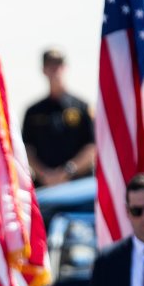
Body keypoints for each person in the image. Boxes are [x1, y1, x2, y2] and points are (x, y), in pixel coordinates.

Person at [21, 49, 96, 187]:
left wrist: (68, 170)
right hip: (45, 187)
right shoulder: (33, 112)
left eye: (58, 65)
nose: (55, 70)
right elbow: (27, 149)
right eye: (50, 65)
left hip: (79, 185)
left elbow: (92, 147)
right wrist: (45, 174)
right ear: (43, 70)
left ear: (65, 68)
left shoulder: (82, 107)